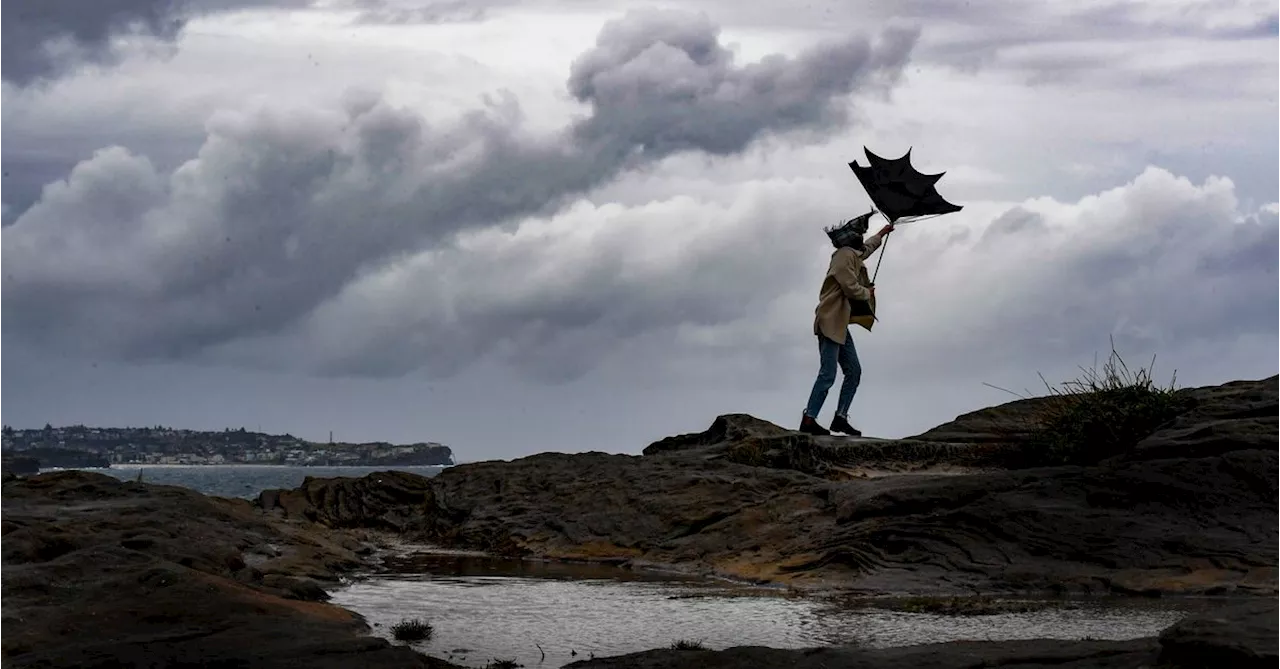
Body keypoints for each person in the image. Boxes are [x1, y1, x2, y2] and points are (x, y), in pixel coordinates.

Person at [800, 213, 895, 436]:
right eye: (859, 235)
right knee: (828, 373)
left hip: (839, 324)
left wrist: (882, 233)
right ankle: (809, 419)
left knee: (854, 371)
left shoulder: (851, 253)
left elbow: (866, 250)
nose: (862, 238)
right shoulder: (843, 257)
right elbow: (850, 287)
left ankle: (840, 418)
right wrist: (867, 292)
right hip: (830, 321)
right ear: (850, 239)